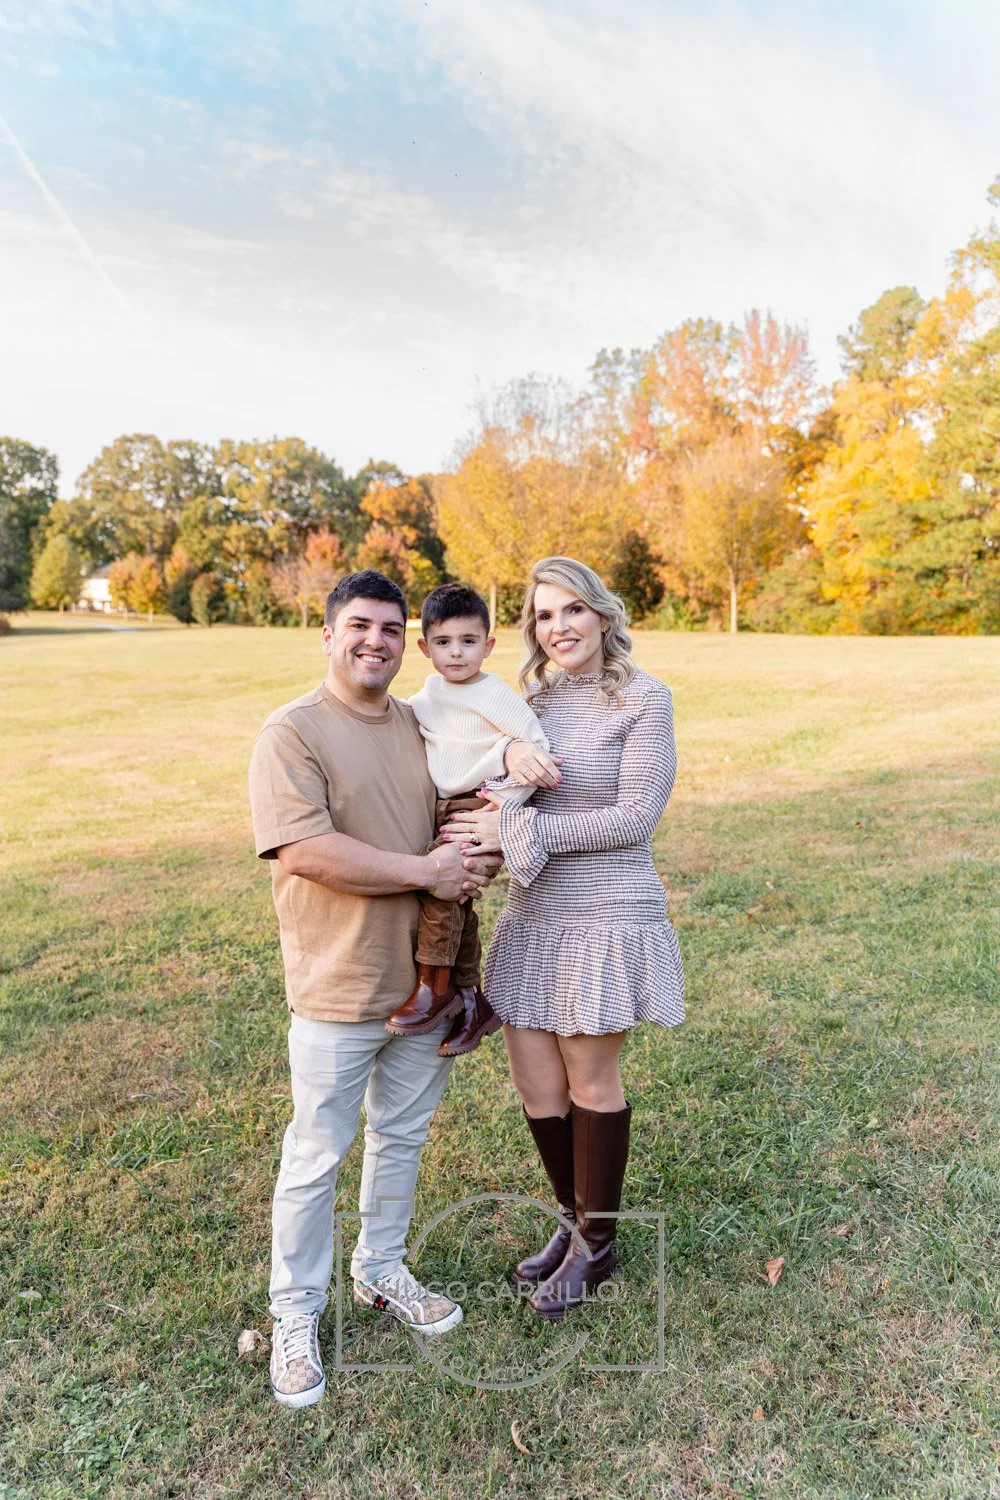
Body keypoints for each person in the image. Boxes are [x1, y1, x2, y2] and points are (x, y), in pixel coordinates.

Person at [248, 569, 499, 1409]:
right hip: (339, 986)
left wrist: (477, 852)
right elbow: (303, 851)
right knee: (315, 1157)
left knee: (402, 1138)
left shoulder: (422, 725)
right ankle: (295, 1313)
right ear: (327, 634)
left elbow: (463, 814)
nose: (376, 642)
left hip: (425, 982)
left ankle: (381, 1268)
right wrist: (425, 871)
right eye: (360, 625)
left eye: (393, 629)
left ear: (410, 642)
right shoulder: (293, 733)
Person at [440, 556, 684, 1321]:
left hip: (605, 913)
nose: (560, 628)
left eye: (572, 611)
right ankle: (573, 1224)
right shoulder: (531, 699)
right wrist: (485, 816)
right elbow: (483, 773)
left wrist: (518, 825)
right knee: (537, 1086)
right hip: (535, 912)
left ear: (603, 615)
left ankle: (597, 1248)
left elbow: (633, 818)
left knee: (588, 1082)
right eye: (544, 617)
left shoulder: (644, 699)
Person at [384, 581, 557, 1056]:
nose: (456, 654)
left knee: (440, 885)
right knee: (456, 901)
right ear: (424, 648)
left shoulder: (493, 694)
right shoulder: (430, 693)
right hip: (443, 805)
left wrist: (502, 806)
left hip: (480, 805)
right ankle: (471, 999)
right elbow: (407, 719)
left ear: (489, 644)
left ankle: (434, 988)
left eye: (468, 641)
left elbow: (536, 751)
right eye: (443, 643)